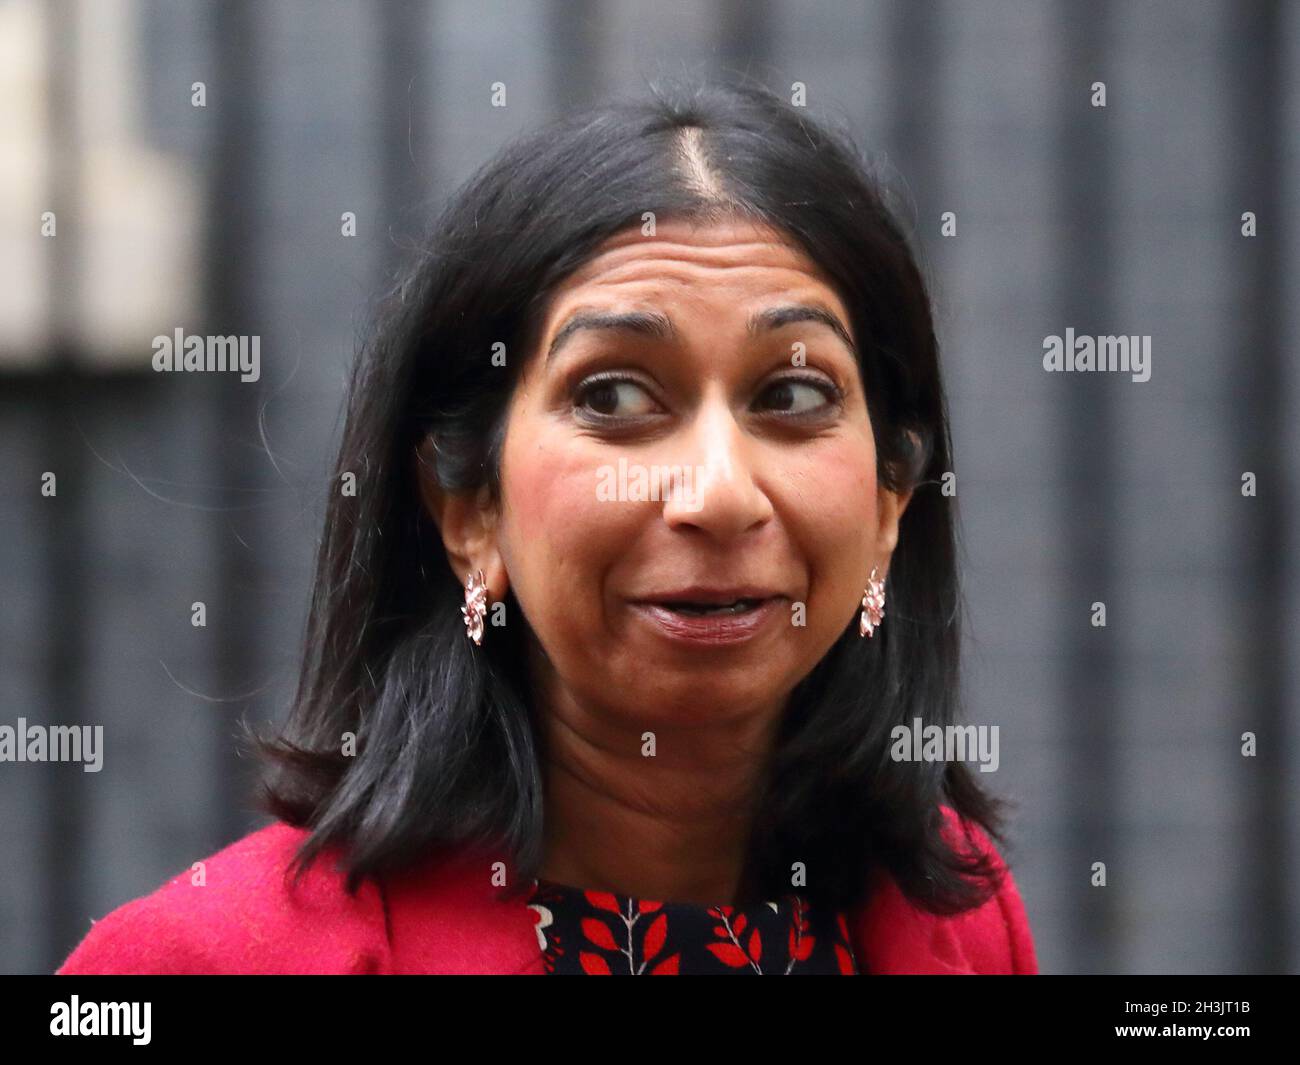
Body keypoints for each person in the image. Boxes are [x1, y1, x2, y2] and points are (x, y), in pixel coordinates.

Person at [58, 78, 1037, 975]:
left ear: (888, 503)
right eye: (612, 396)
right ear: (467, 510)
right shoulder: (201, 961)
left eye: (791, 391)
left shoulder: (952, 920)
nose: (718, 493)